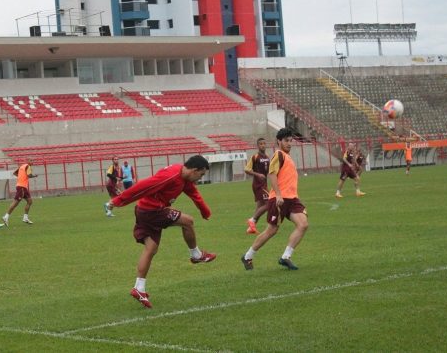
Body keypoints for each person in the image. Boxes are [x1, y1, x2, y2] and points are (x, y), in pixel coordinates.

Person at [105, 155, 216, 308]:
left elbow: (194, 193)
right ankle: (196, 255)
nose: (200, 178)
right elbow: (143, 186)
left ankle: (139, 288)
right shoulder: (171, 176)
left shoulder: (184, 178)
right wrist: (117, 201)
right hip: (152, 211)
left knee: (151, 248)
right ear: (194, 170)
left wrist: (205, 211)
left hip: (145, 210)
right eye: (201, 174)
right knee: (188, 221)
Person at [241, 128, 309, 271]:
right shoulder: (278, 154)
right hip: (279, 199)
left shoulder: (287, 156)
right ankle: (247, 256)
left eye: (291, 141)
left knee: (303, 224)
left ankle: (286, 257)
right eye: (286, 141)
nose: (289, 143)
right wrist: (278, 195)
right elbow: (271, 174)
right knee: (271, 230)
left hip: (292, 199)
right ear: (279, 141)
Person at [244, 138, 270, 235]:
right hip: (258, 185)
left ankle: (251, 228)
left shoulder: (267, 157)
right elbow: (247, 169)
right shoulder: (255, 157)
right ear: (258, 146)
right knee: (269, 204)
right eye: (261, 144)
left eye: (264, 143)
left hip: (264, 184)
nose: (263, 145)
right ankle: (252, 220)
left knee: (260, 206)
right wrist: (258, 174)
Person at [2, 159, 38, 225]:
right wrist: (35, 176)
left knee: (30, 201)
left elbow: (15, 173)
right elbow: (29, 175)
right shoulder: (28, 166)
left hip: (23, 187)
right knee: (16, 202)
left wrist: (21, 177)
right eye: (31, 161)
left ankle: (25, 218)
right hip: (22, 187)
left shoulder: (22, 166)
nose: (32, 162)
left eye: (33, 161)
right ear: (28, 161)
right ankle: (6, 216)